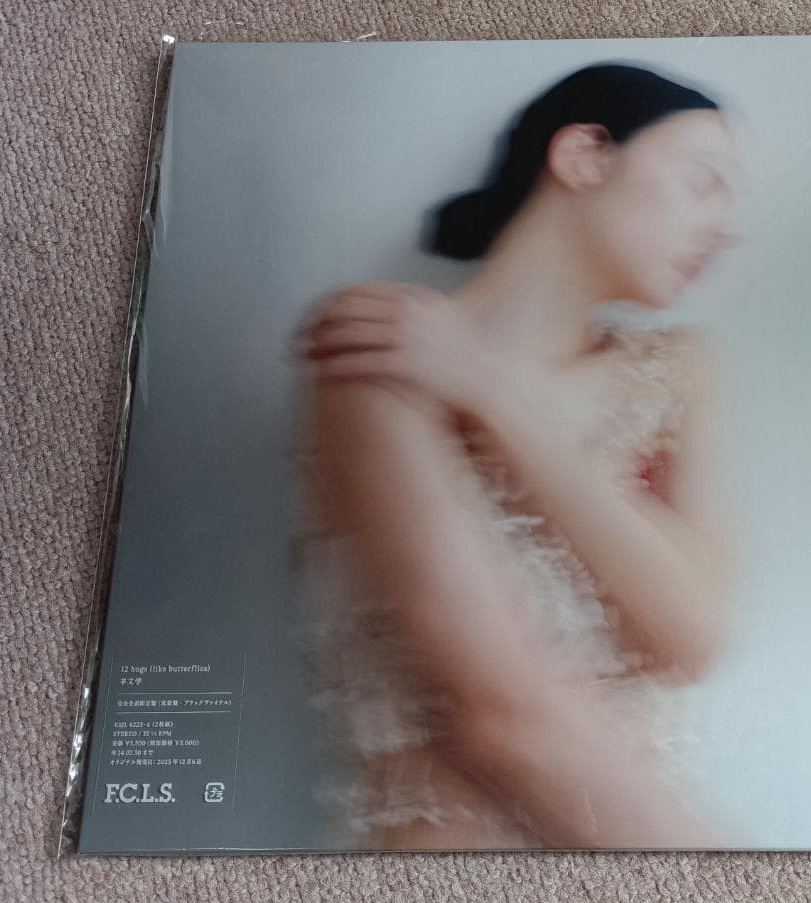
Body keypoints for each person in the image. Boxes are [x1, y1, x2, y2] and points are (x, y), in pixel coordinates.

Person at [292, 62, 737, 849]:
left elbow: (695, 635)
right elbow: (498, 717)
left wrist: (491, 393)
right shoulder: (380, 346)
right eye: (704, 181)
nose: (723, 226)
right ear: (584, 156)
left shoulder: (677, 374)